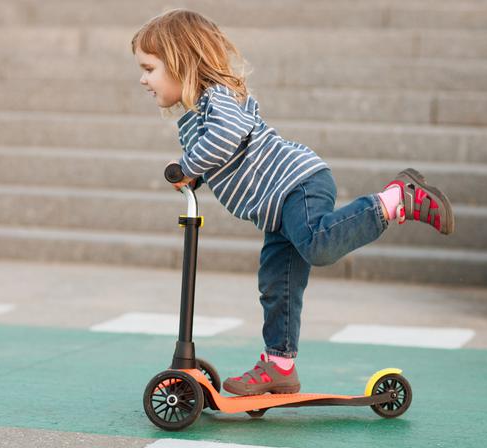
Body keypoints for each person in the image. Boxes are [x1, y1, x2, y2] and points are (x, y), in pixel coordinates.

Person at [131, 9, 454, 396]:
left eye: (149, 68)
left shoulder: (217, 98)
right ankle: (279, 364)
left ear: (181, 63)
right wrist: (195, 173)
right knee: (276, 283)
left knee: (318, 245)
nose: (143, 79)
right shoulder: (199, 113)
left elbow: (228, 135)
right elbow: (224, 151)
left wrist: (186, 165)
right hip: (275, 208)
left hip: (296, 184)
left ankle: (396, 199)